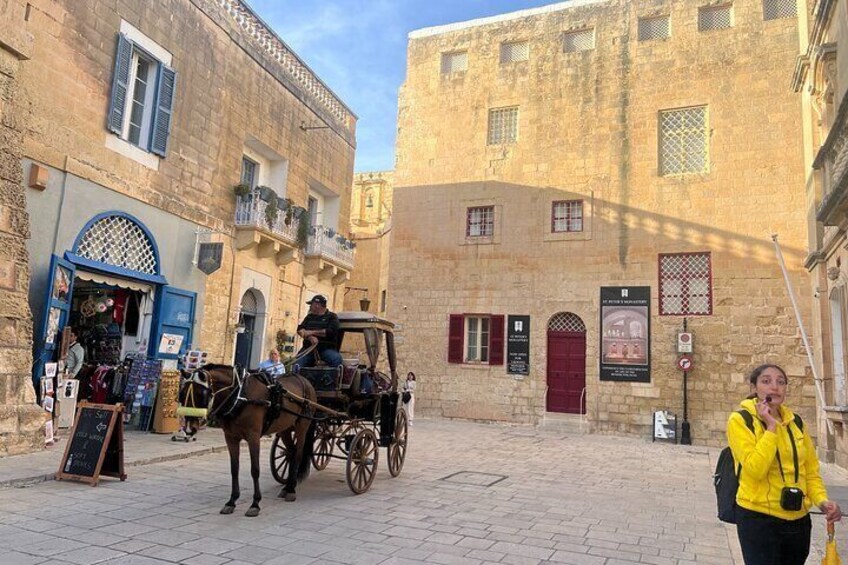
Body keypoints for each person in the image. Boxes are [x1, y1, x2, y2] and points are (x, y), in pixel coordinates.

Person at [727, 364, 842, 565]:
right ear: (754, 388)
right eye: (766, 381)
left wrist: (823, 501)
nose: (775, 387)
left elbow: (810, 470)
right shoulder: (741, 420)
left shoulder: (795, 422)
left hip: (797, 520)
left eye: (781, 382)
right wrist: (771, 427)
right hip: (759, 518)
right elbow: (755, 469)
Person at [295, 295, 342, 368]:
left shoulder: (332, 317)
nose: (310, 307)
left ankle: (332, 378)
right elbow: (300, 329)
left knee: (336, 359)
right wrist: (309, 337)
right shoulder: (309, 317)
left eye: (311, 305)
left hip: (326, 349)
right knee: (297, 364)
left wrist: (310, 332)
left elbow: (330, 332)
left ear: (318, 305)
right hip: (308, 349)